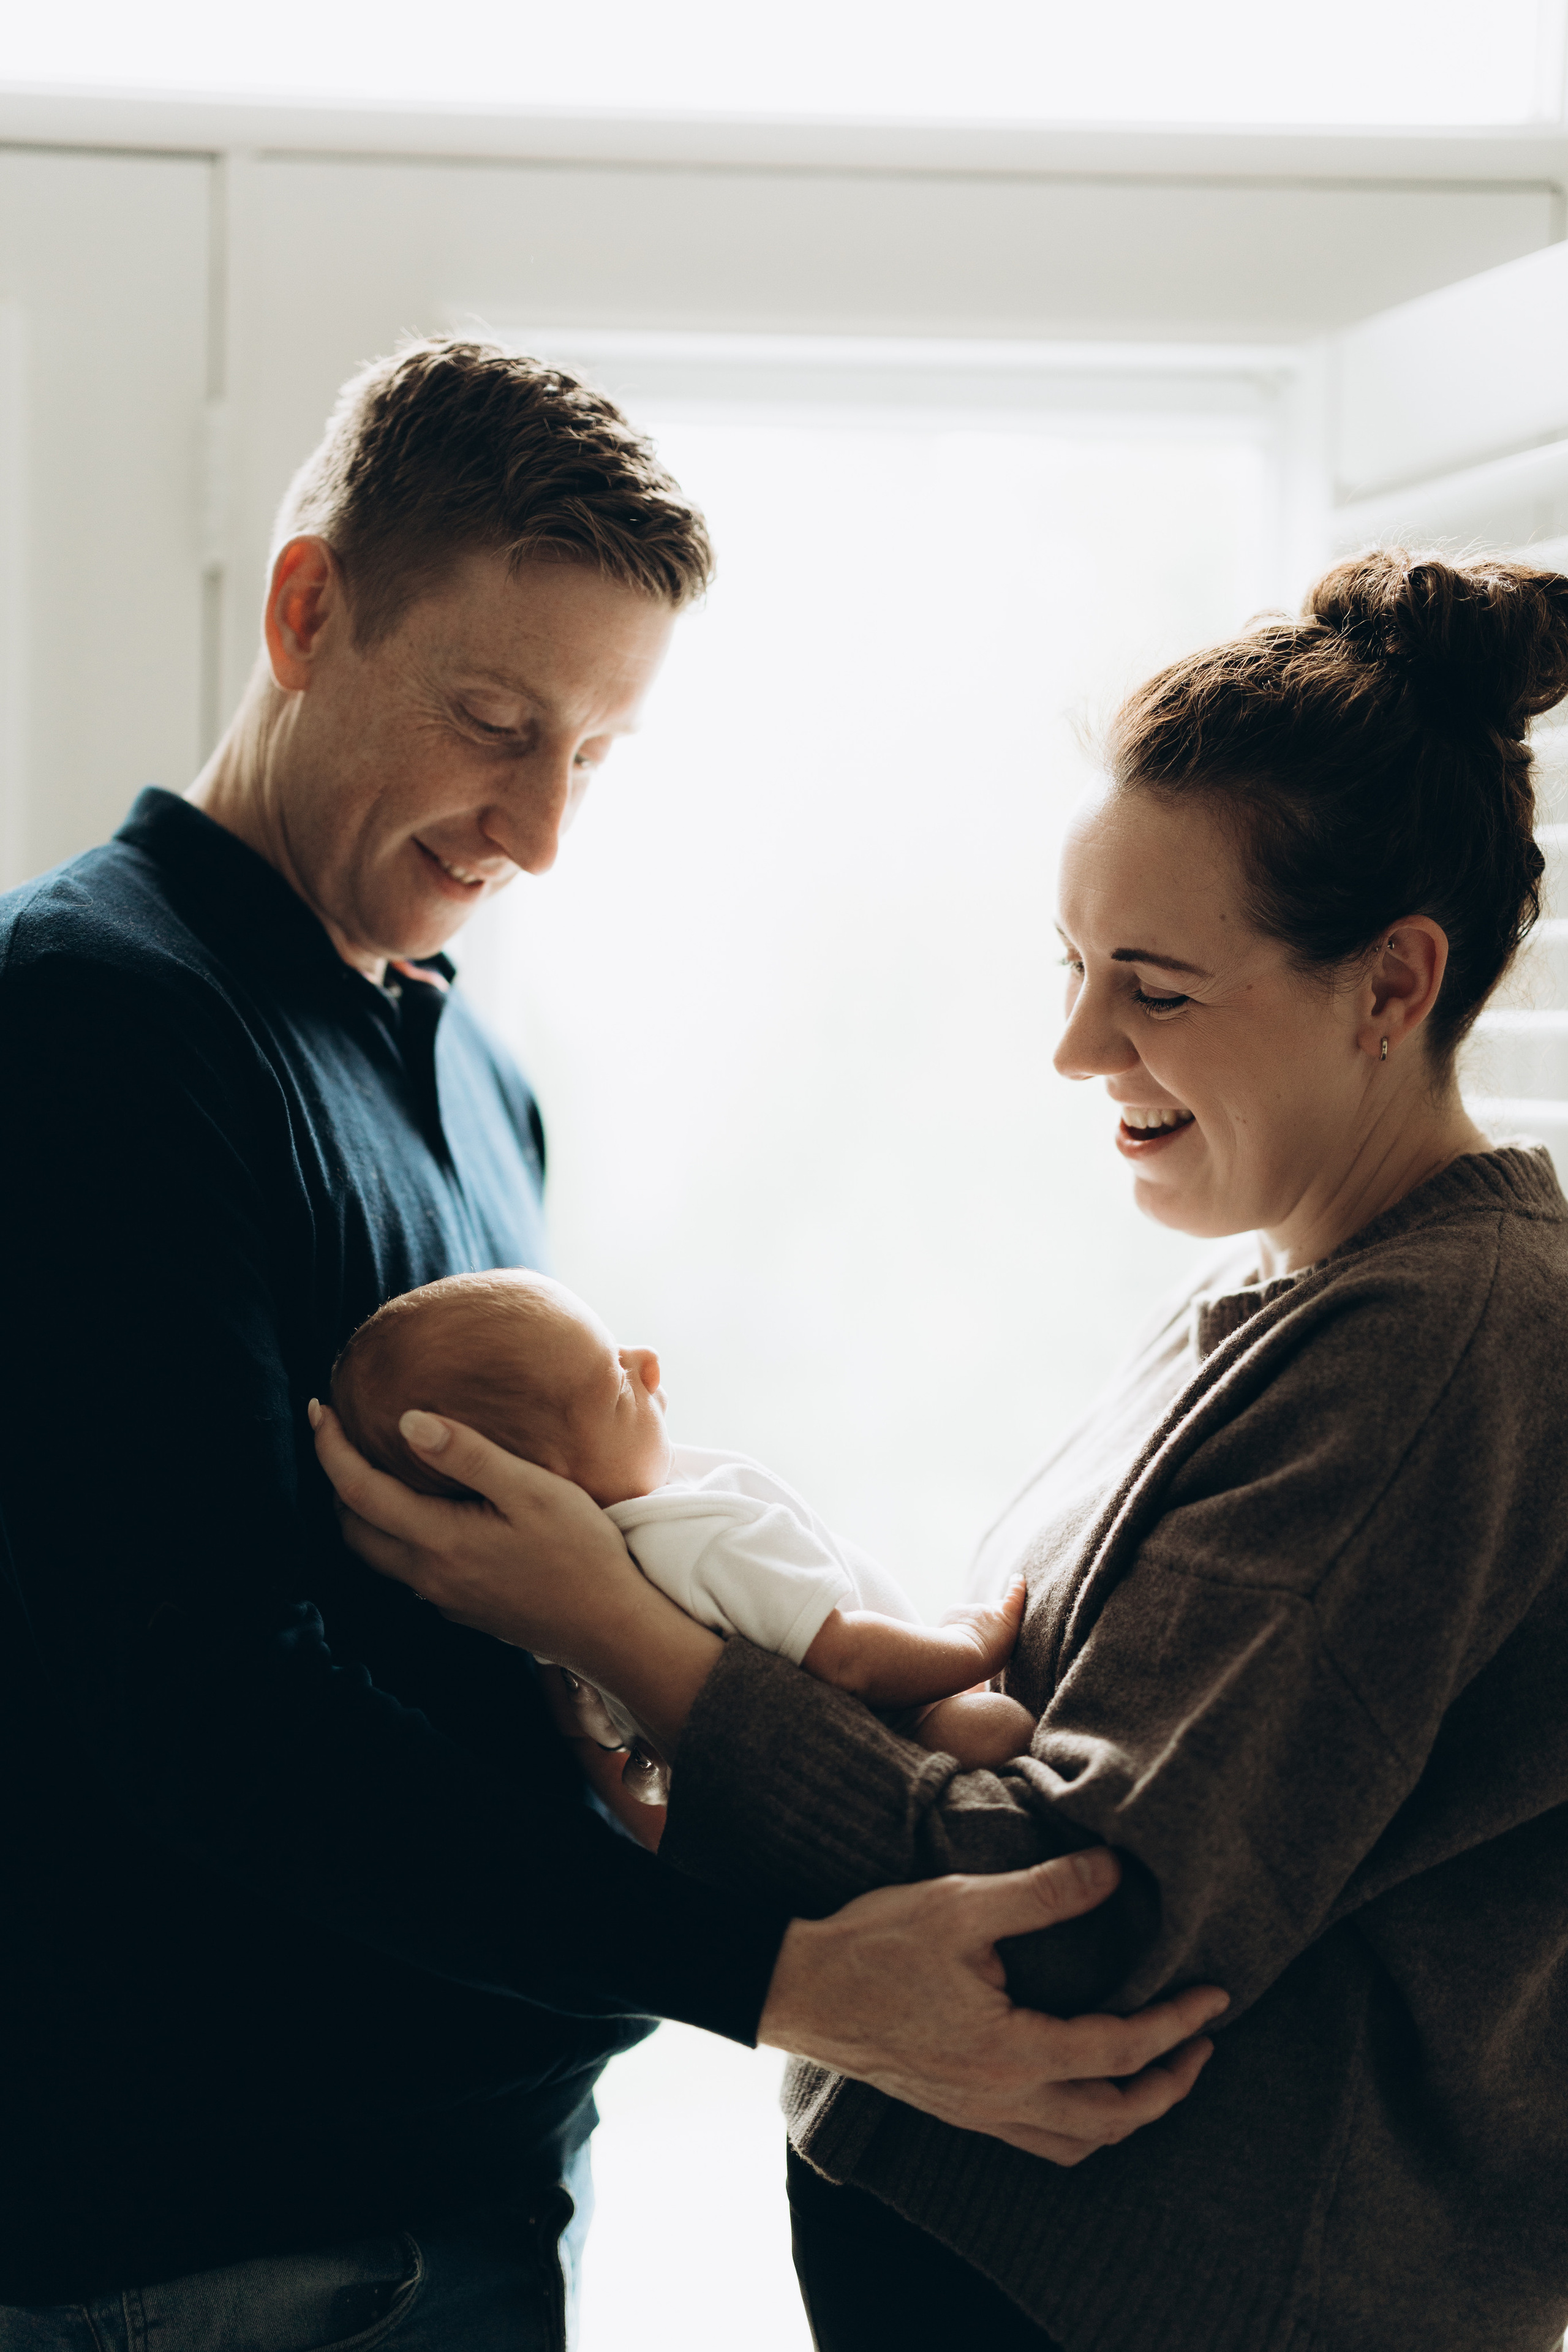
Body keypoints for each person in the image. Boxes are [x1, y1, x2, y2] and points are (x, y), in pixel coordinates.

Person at [0, 337, 1221, 2350]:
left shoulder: (477, 1073)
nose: (542, 830)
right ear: (310, 612)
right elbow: (206, 1707)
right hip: (214, 2246)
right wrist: (791, 1978)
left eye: (596, 751)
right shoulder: (92, 1027)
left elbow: (464, 1645)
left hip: (471, 2194)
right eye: (496, 723)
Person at [315, 549, 1568, 2352]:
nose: (1074, 1045)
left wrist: (626, 1626)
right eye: (1071, 965)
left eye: (1150, 983)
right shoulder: (1293, 1294)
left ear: (1390, 985)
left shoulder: (1439, 1352)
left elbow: (1064, 1923)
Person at [330, 1266, 1038, 1778]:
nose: (646, 1363)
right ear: (546, 1485)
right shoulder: (693, 1537)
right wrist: (967, 1647)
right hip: (896, 1732)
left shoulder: (556, 1600)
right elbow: (848, 1659)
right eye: (614, 1384)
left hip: (754, 1790)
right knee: (998, 1727)